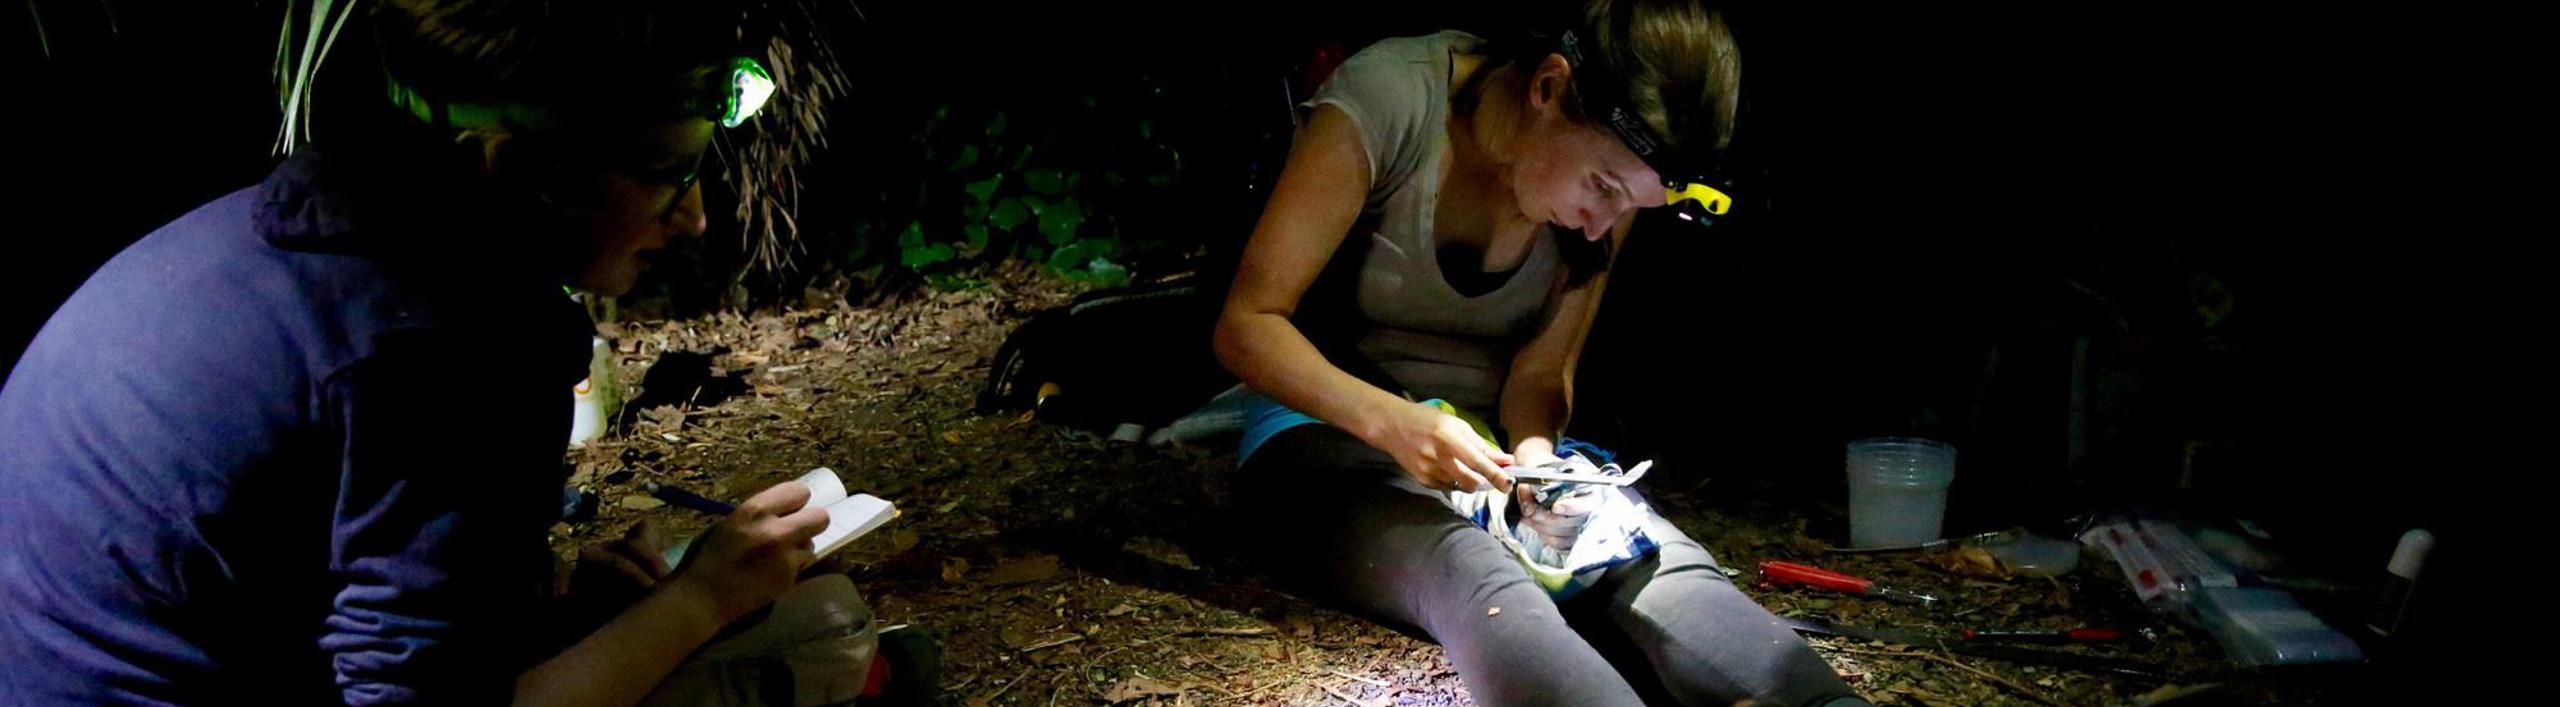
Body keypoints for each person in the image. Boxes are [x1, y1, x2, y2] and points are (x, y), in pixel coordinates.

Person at [0, 1, 920, 704]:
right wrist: (696, 602)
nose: (695, 215)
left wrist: (548, 612)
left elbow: (348, 591)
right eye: (665, 172)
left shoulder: (279, 242)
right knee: (819, 628)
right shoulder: (444, 352)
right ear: (516, 170)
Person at [1213, 1, 1869, 704]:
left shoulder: (1606, 200)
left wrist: (1537, 465)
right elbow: (1247, 324)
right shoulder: (1389, 101)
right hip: (1330, 434)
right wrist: (1393, 423)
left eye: (1629, 210)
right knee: (1472, 572)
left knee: (1640, 556)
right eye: (1602, 188)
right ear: (1548, 88)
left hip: (1489, 451)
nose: (1603, 225)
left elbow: (1539, 374)